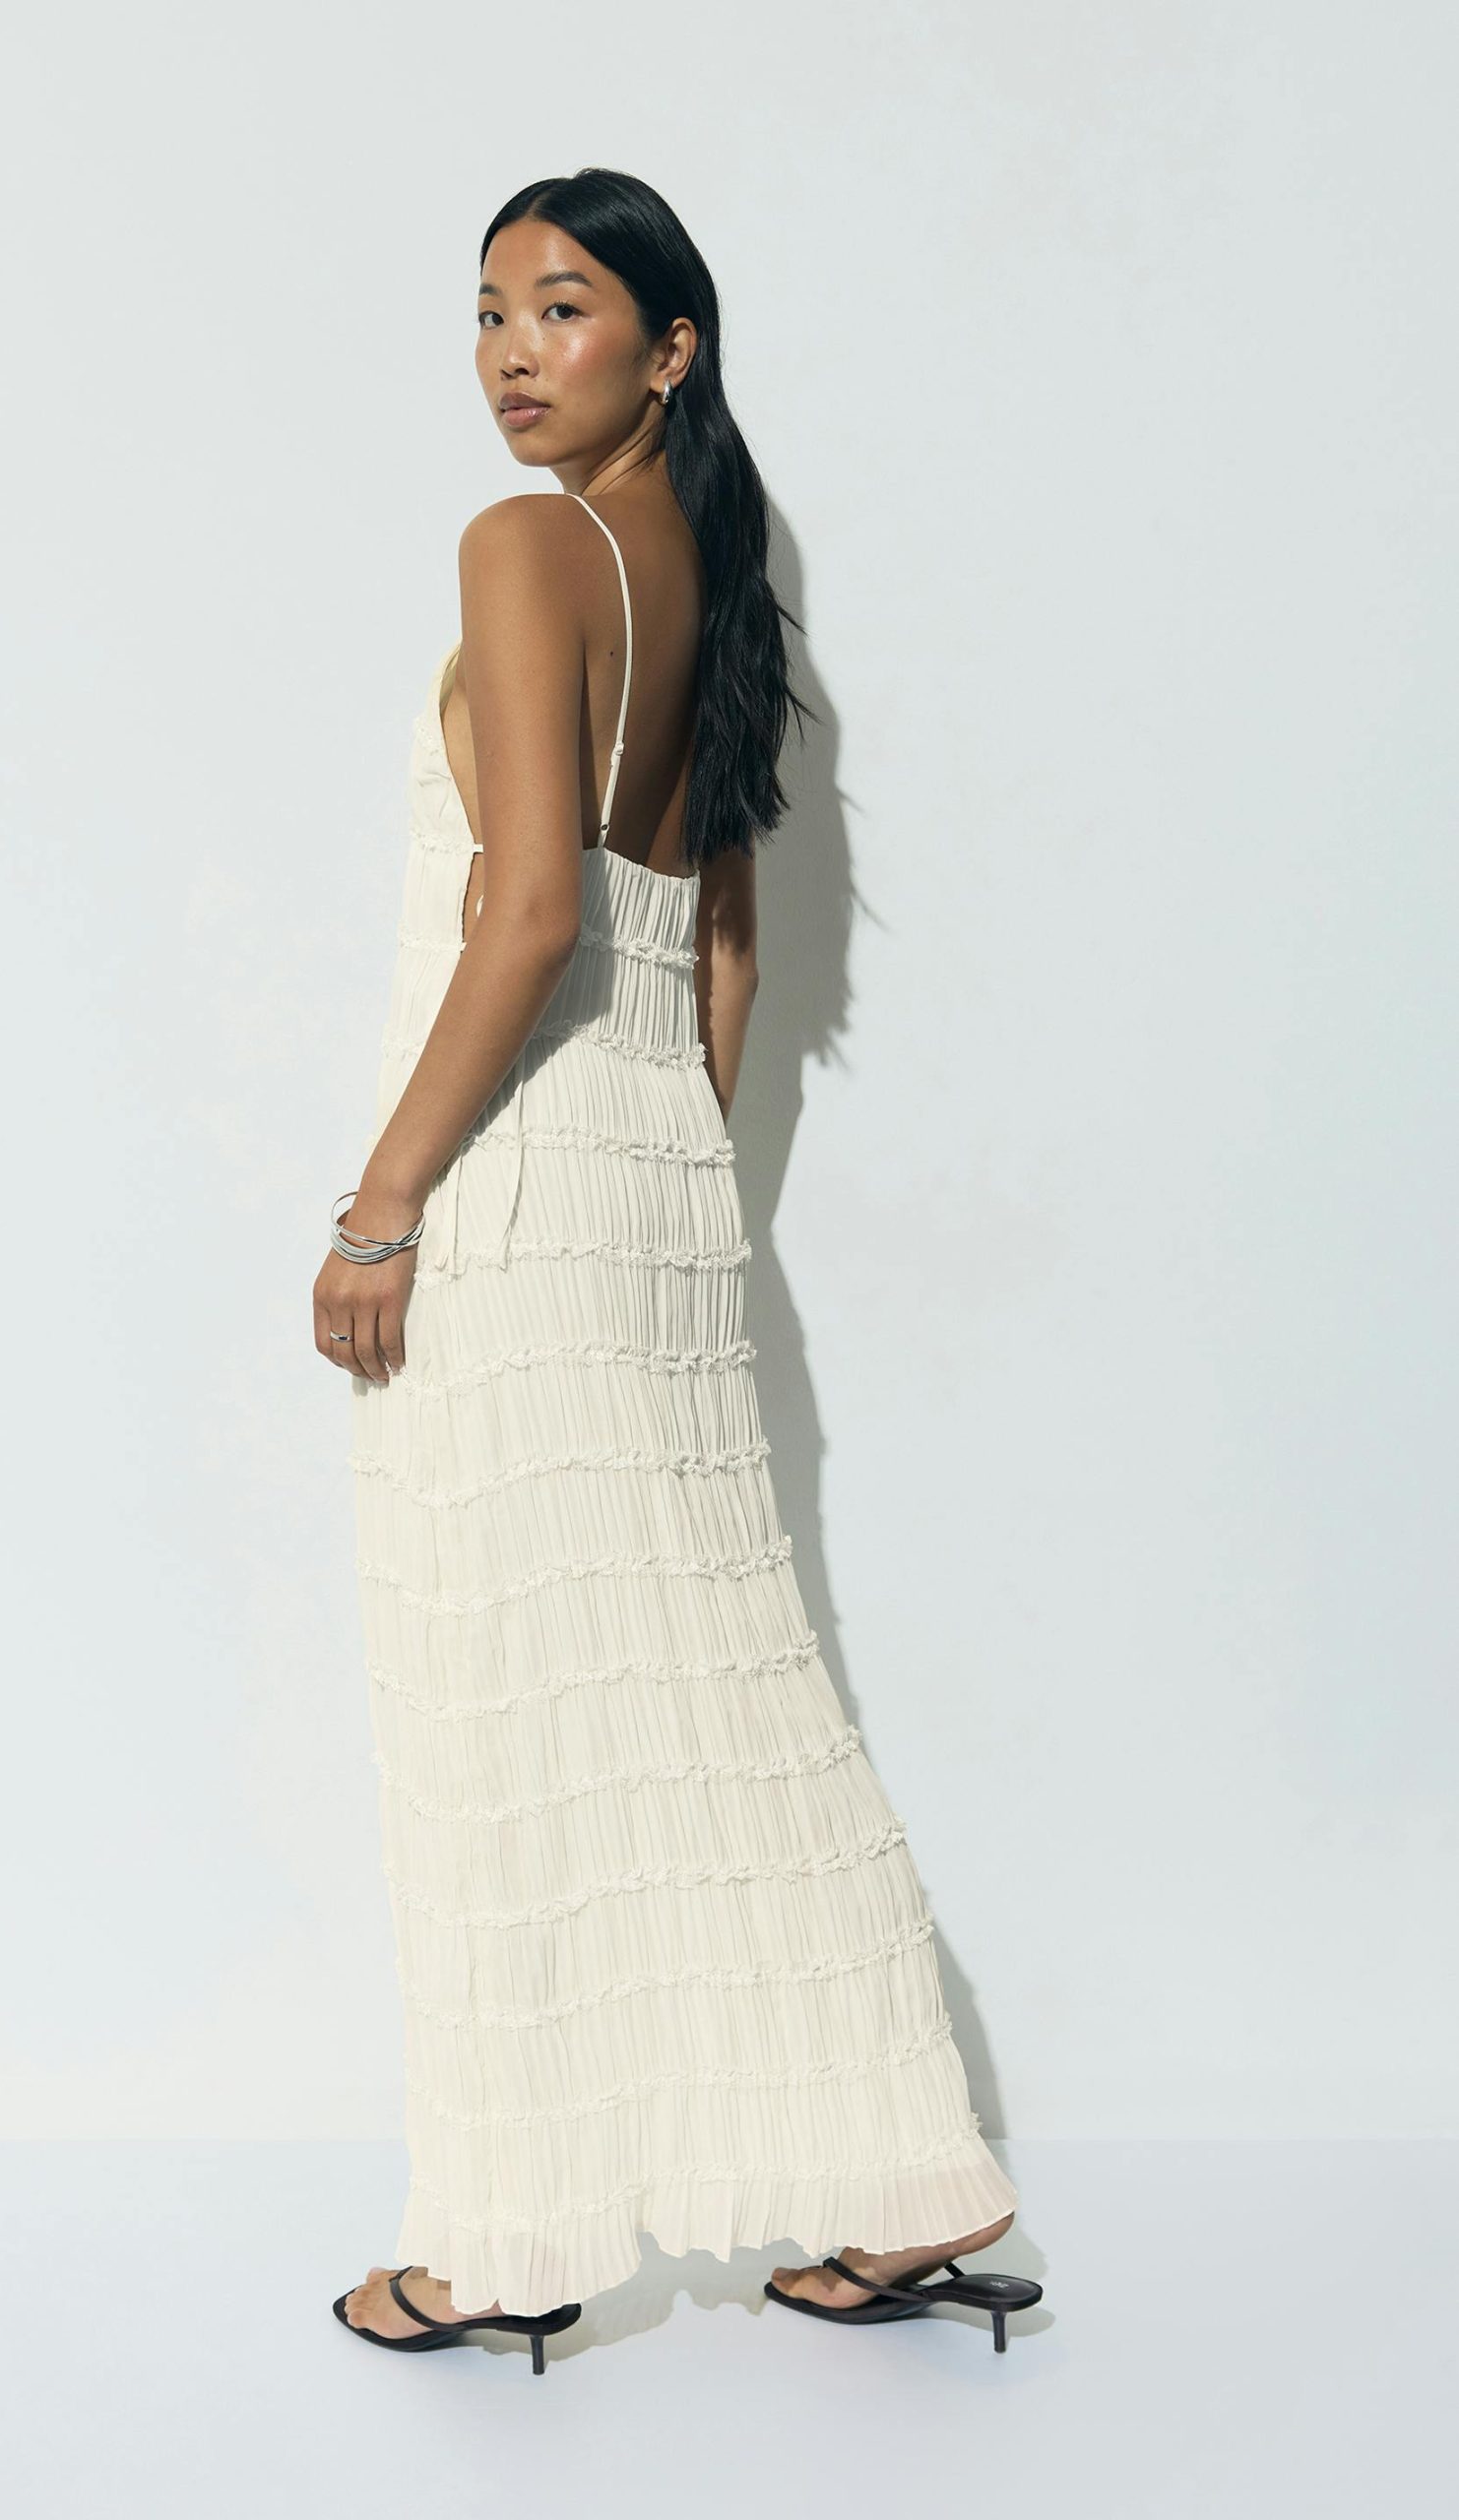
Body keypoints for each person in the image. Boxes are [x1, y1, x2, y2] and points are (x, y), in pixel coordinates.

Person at [316, 167, 1039, 2373]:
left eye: (561, 306)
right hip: (652, 1183)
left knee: (501, 1706)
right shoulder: (711, 588)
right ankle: (903, 2174)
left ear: (668, 345)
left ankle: (501, 2238)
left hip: (517, 1179)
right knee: (725, 1685)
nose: (510, 353)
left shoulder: (523, 549)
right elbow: (714, 946)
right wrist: (672, 1176)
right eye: (486, 312)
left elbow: (529, 908)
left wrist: (380, 1206)